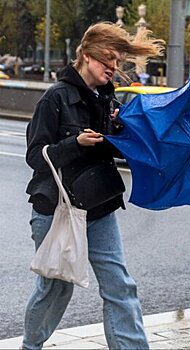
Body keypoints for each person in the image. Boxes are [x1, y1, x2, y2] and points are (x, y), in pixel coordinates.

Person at [22, 22, 164, 350]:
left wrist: (121, 132)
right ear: (87, 56)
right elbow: (35, 157)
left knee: (120, 285)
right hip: (57, 208)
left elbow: (109, 150)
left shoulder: (106, 98)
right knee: (56, 288)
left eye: (116, 62)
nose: (113, 68)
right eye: (108, 60)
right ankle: (30, 346)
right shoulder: (54, 98)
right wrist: (76, 143)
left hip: (99, 205)